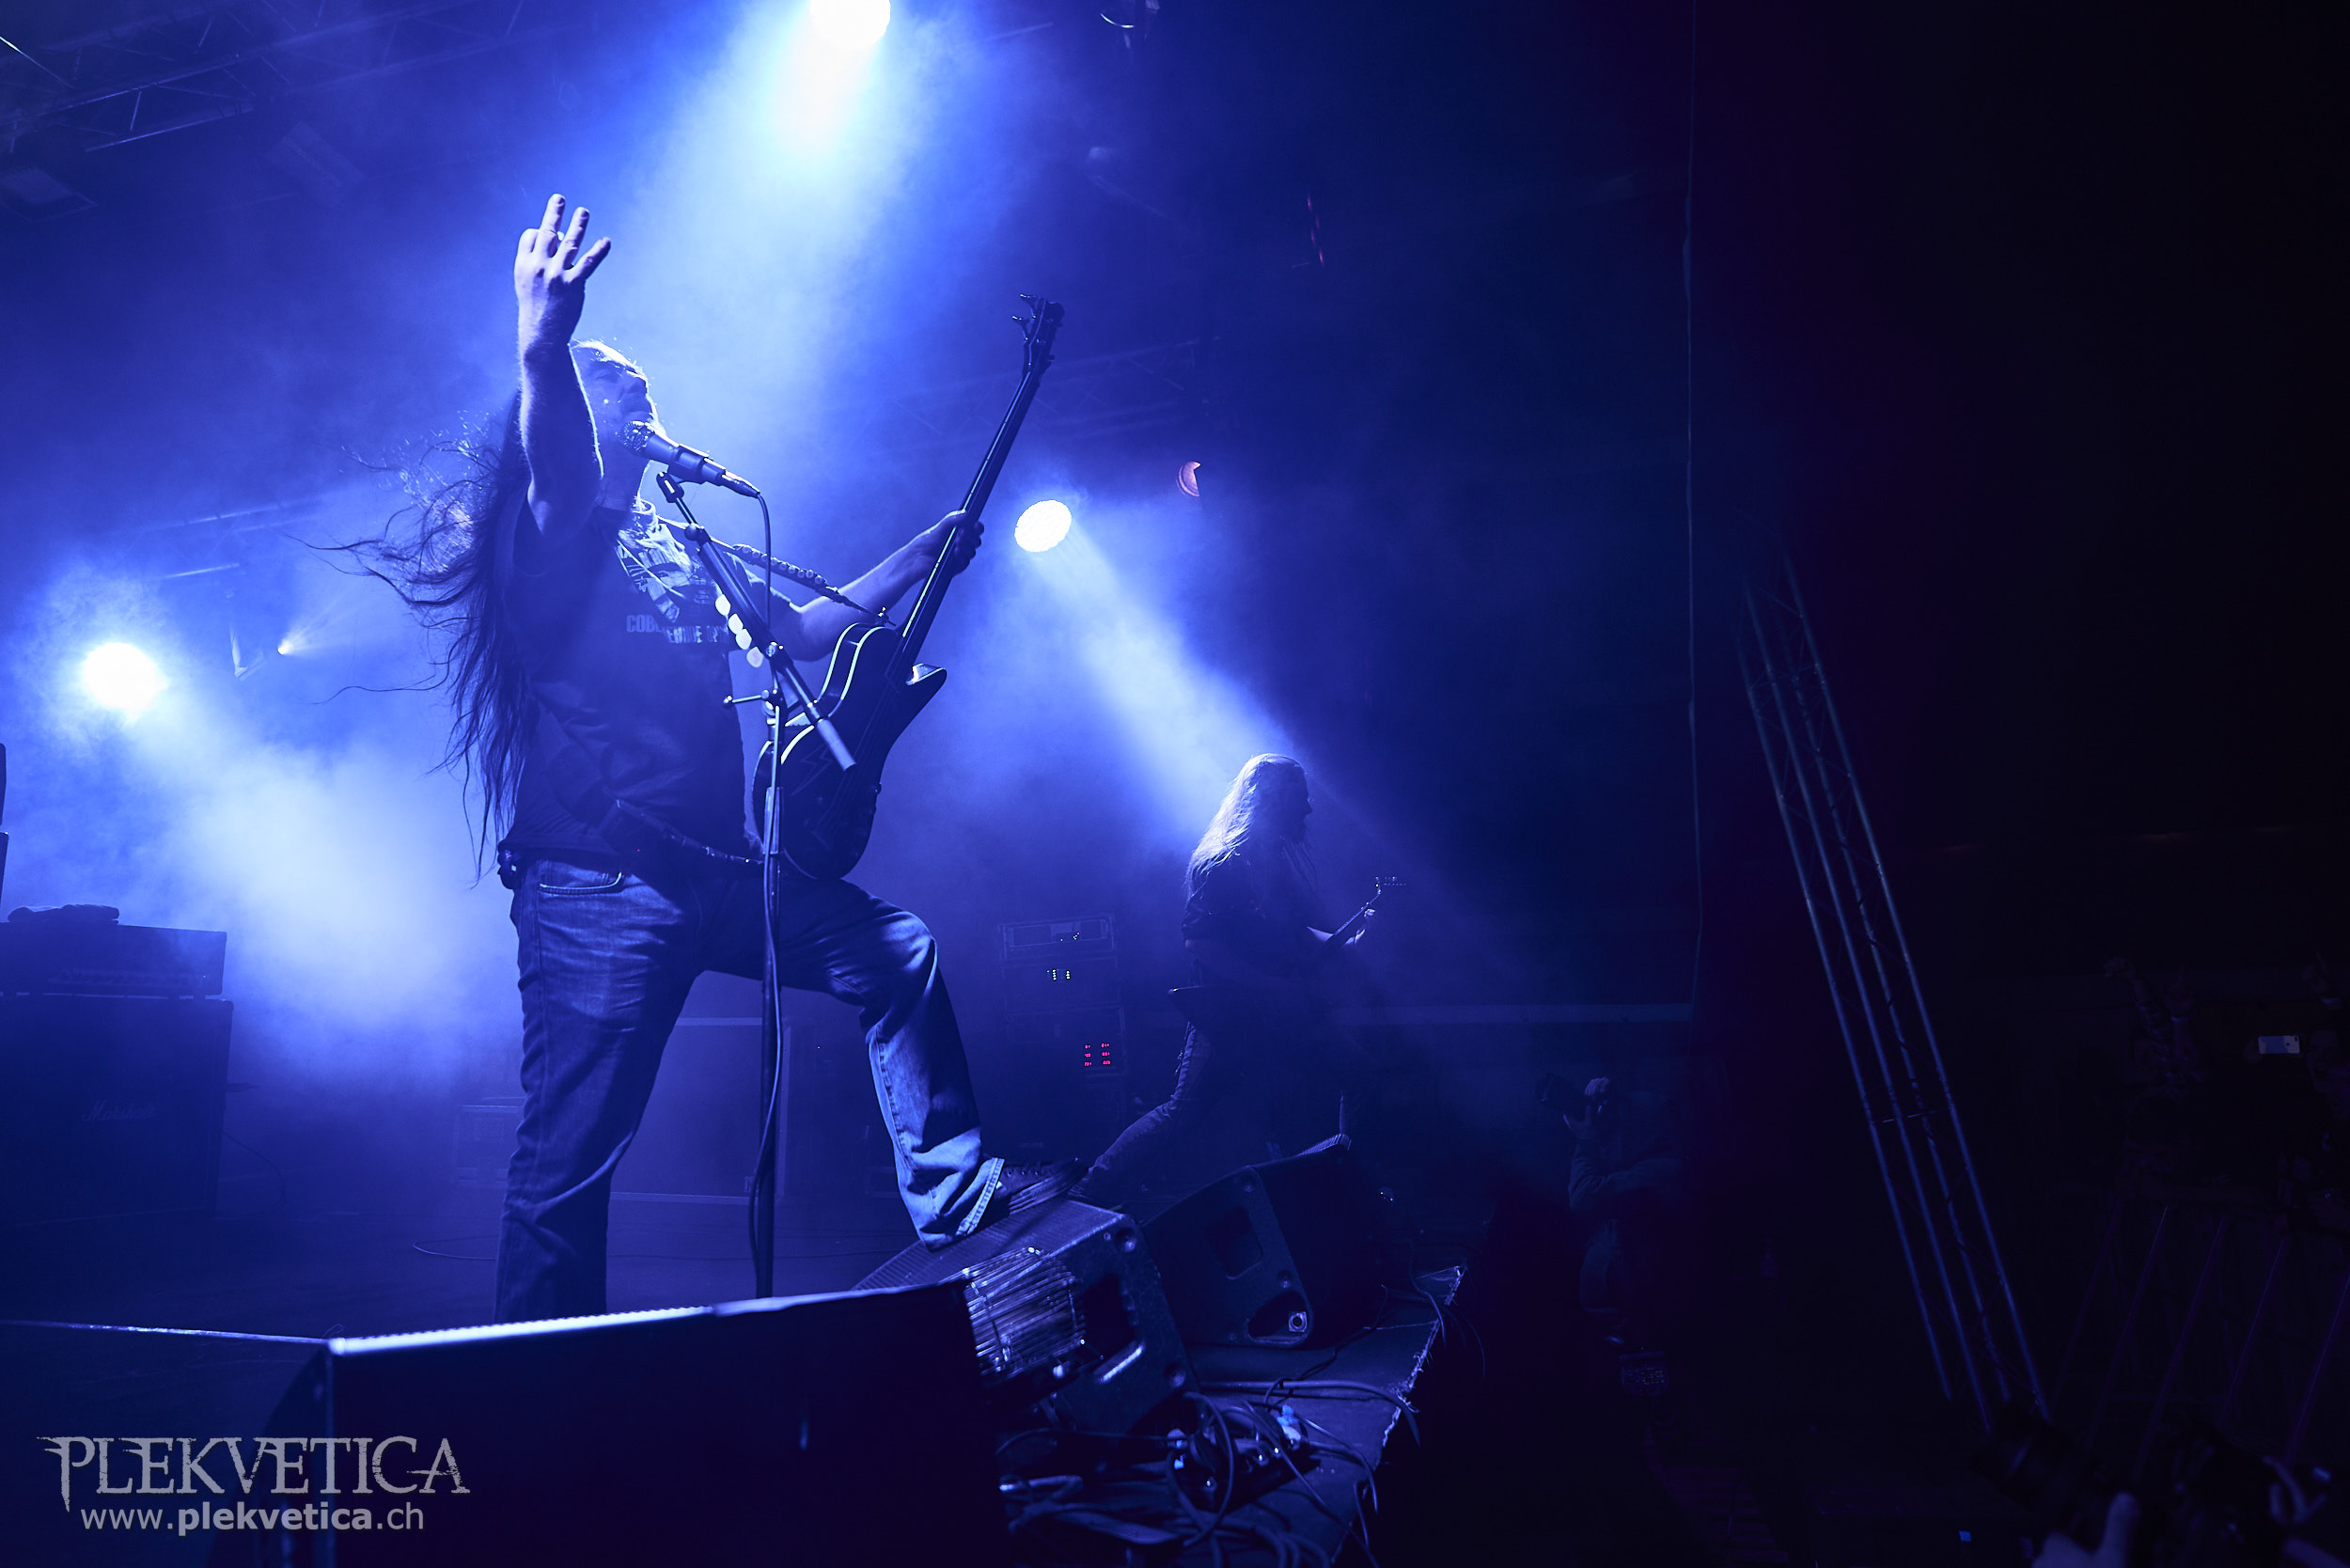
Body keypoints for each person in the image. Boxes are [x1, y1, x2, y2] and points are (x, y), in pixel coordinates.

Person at [390, 195, 1068, 1321]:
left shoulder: (681, 544)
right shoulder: (551, 535)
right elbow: (555, 467)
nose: (650, 410)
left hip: (723, 873)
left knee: (895, 951)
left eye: (650, 395)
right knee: (571, 1161)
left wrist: (915, 557)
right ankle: (540, 1387)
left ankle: (954, 1200)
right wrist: (544, 345)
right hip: (600, 886)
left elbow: (796, 631)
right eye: (627, 396)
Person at [1072, 754, 1370, 1214]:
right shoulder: (1225, 865)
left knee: (1356, 1076)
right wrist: (1271, 986)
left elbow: (1290, 933)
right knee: (1181, 1113)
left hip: (1273, 1012)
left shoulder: (1274, 862)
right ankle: (1087, 1194)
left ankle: (1344, 1187)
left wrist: (1344, 940)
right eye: (1300, 798)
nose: (1308, 809)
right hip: (1229, 1014)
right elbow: (1200, 943)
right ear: (1270, 798)